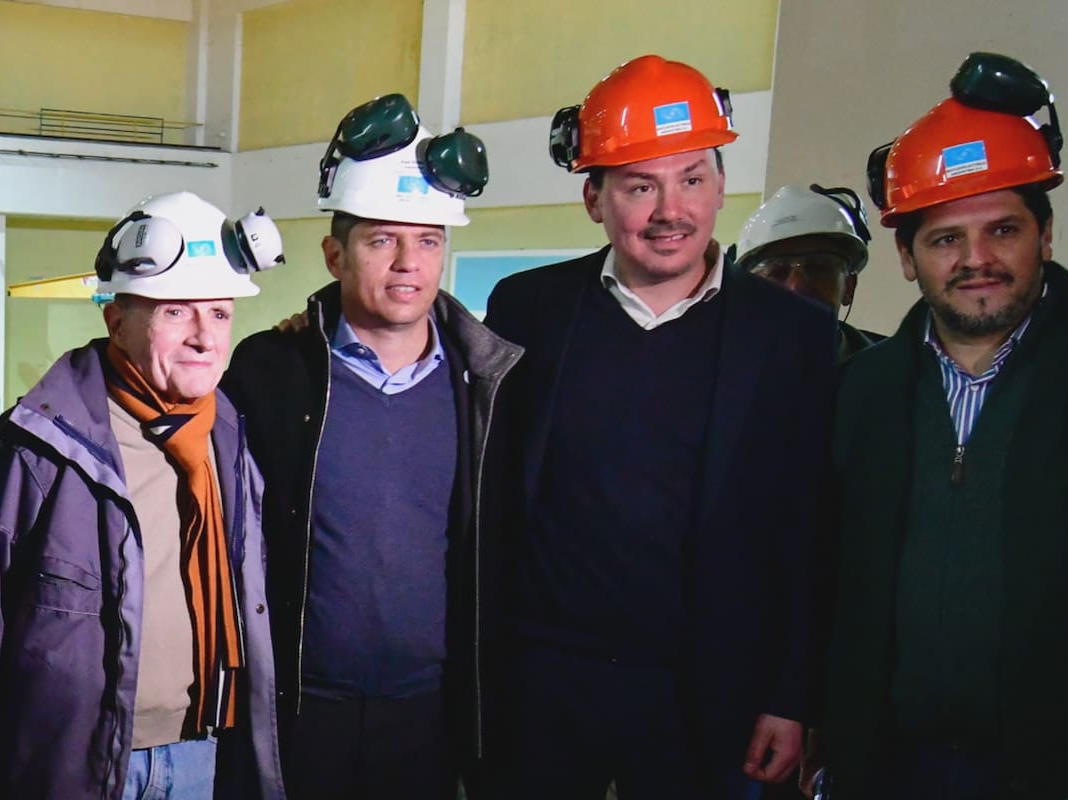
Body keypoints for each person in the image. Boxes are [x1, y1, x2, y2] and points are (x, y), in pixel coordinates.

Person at [482, 54, 836, 800]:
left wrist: (790, 696)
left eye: (693, 180)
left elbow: (808, 530)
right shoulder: (528, 311)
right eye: (641, 186)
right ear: (594, 198)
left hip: (709, 694)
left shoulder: (792, 336)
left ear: (720, 185)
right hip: (545, 685)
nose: (670, 210)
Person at [822, 52, 1068, 799]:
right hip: (890, 767)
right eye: (946, 238)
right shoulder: (857, 394)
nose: (976, 260)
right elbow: (829, 579)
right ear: (907, 259)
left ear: (1045, 237)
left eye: (1003, 229)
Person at [221, 94, 522, 799]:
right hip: (298, 710)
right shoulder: (269, 372)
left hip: (427, 713)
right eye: (382, 240)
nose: (408, 263)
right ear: (335, 254)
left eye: (428, 241)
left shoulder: (489, 386)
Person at [0, 191, 286, 799]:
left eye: (219, 314)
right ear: (116, 320)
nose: (204, 337)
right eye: (176, 312)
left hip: (199, 752)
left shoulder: (229, 434)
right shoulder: (44, 443)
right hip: (73, 763)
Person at [736, 184, 882, 360]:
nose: (797, 286)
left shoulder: (898, 372)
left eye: (818, 268)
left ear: (849, 286)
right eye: (777, 272)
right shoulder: (714, 373)